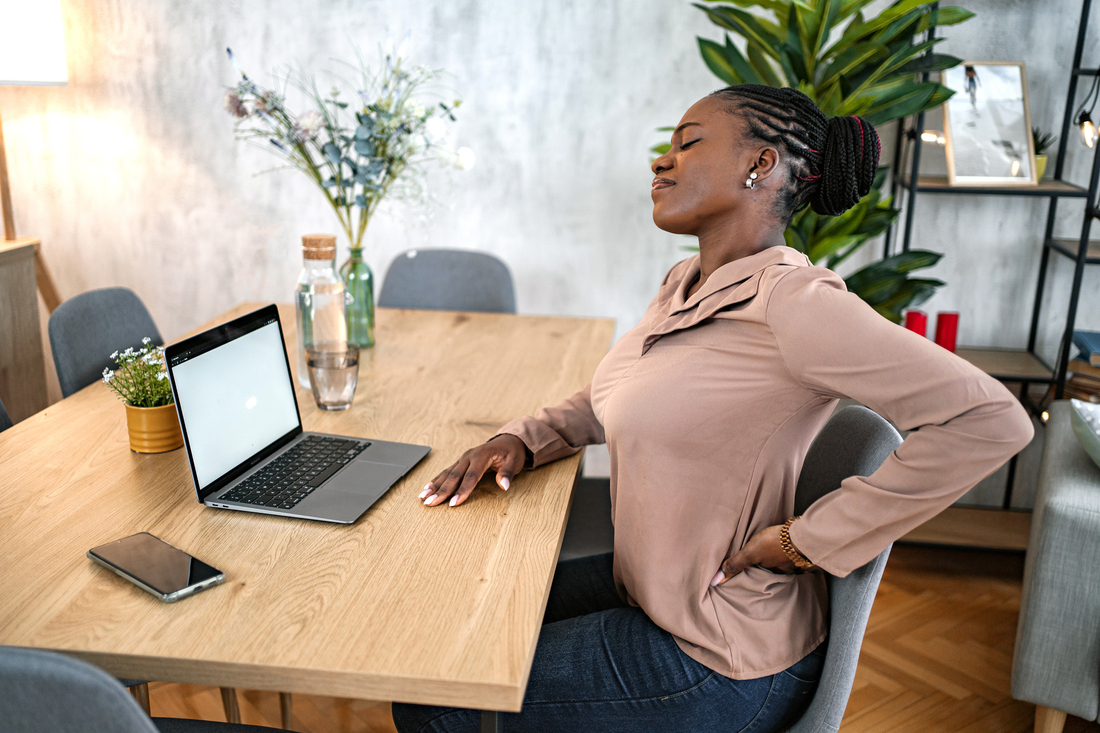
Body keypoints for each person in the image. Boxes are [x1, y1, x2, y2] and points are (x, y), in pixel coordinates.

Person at [391, 84, 1034, 733]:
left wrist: (807, 539)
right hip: (648, 591)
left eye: (687, 142)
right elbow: (618, 396)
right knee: (439, 651)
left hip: (716, 652)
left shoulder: (796, 303)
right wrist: (523, 440)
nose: (661, 161)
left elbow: (989, 419)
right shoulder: (684, 285)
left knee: (438, 703)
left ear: (761, 166)